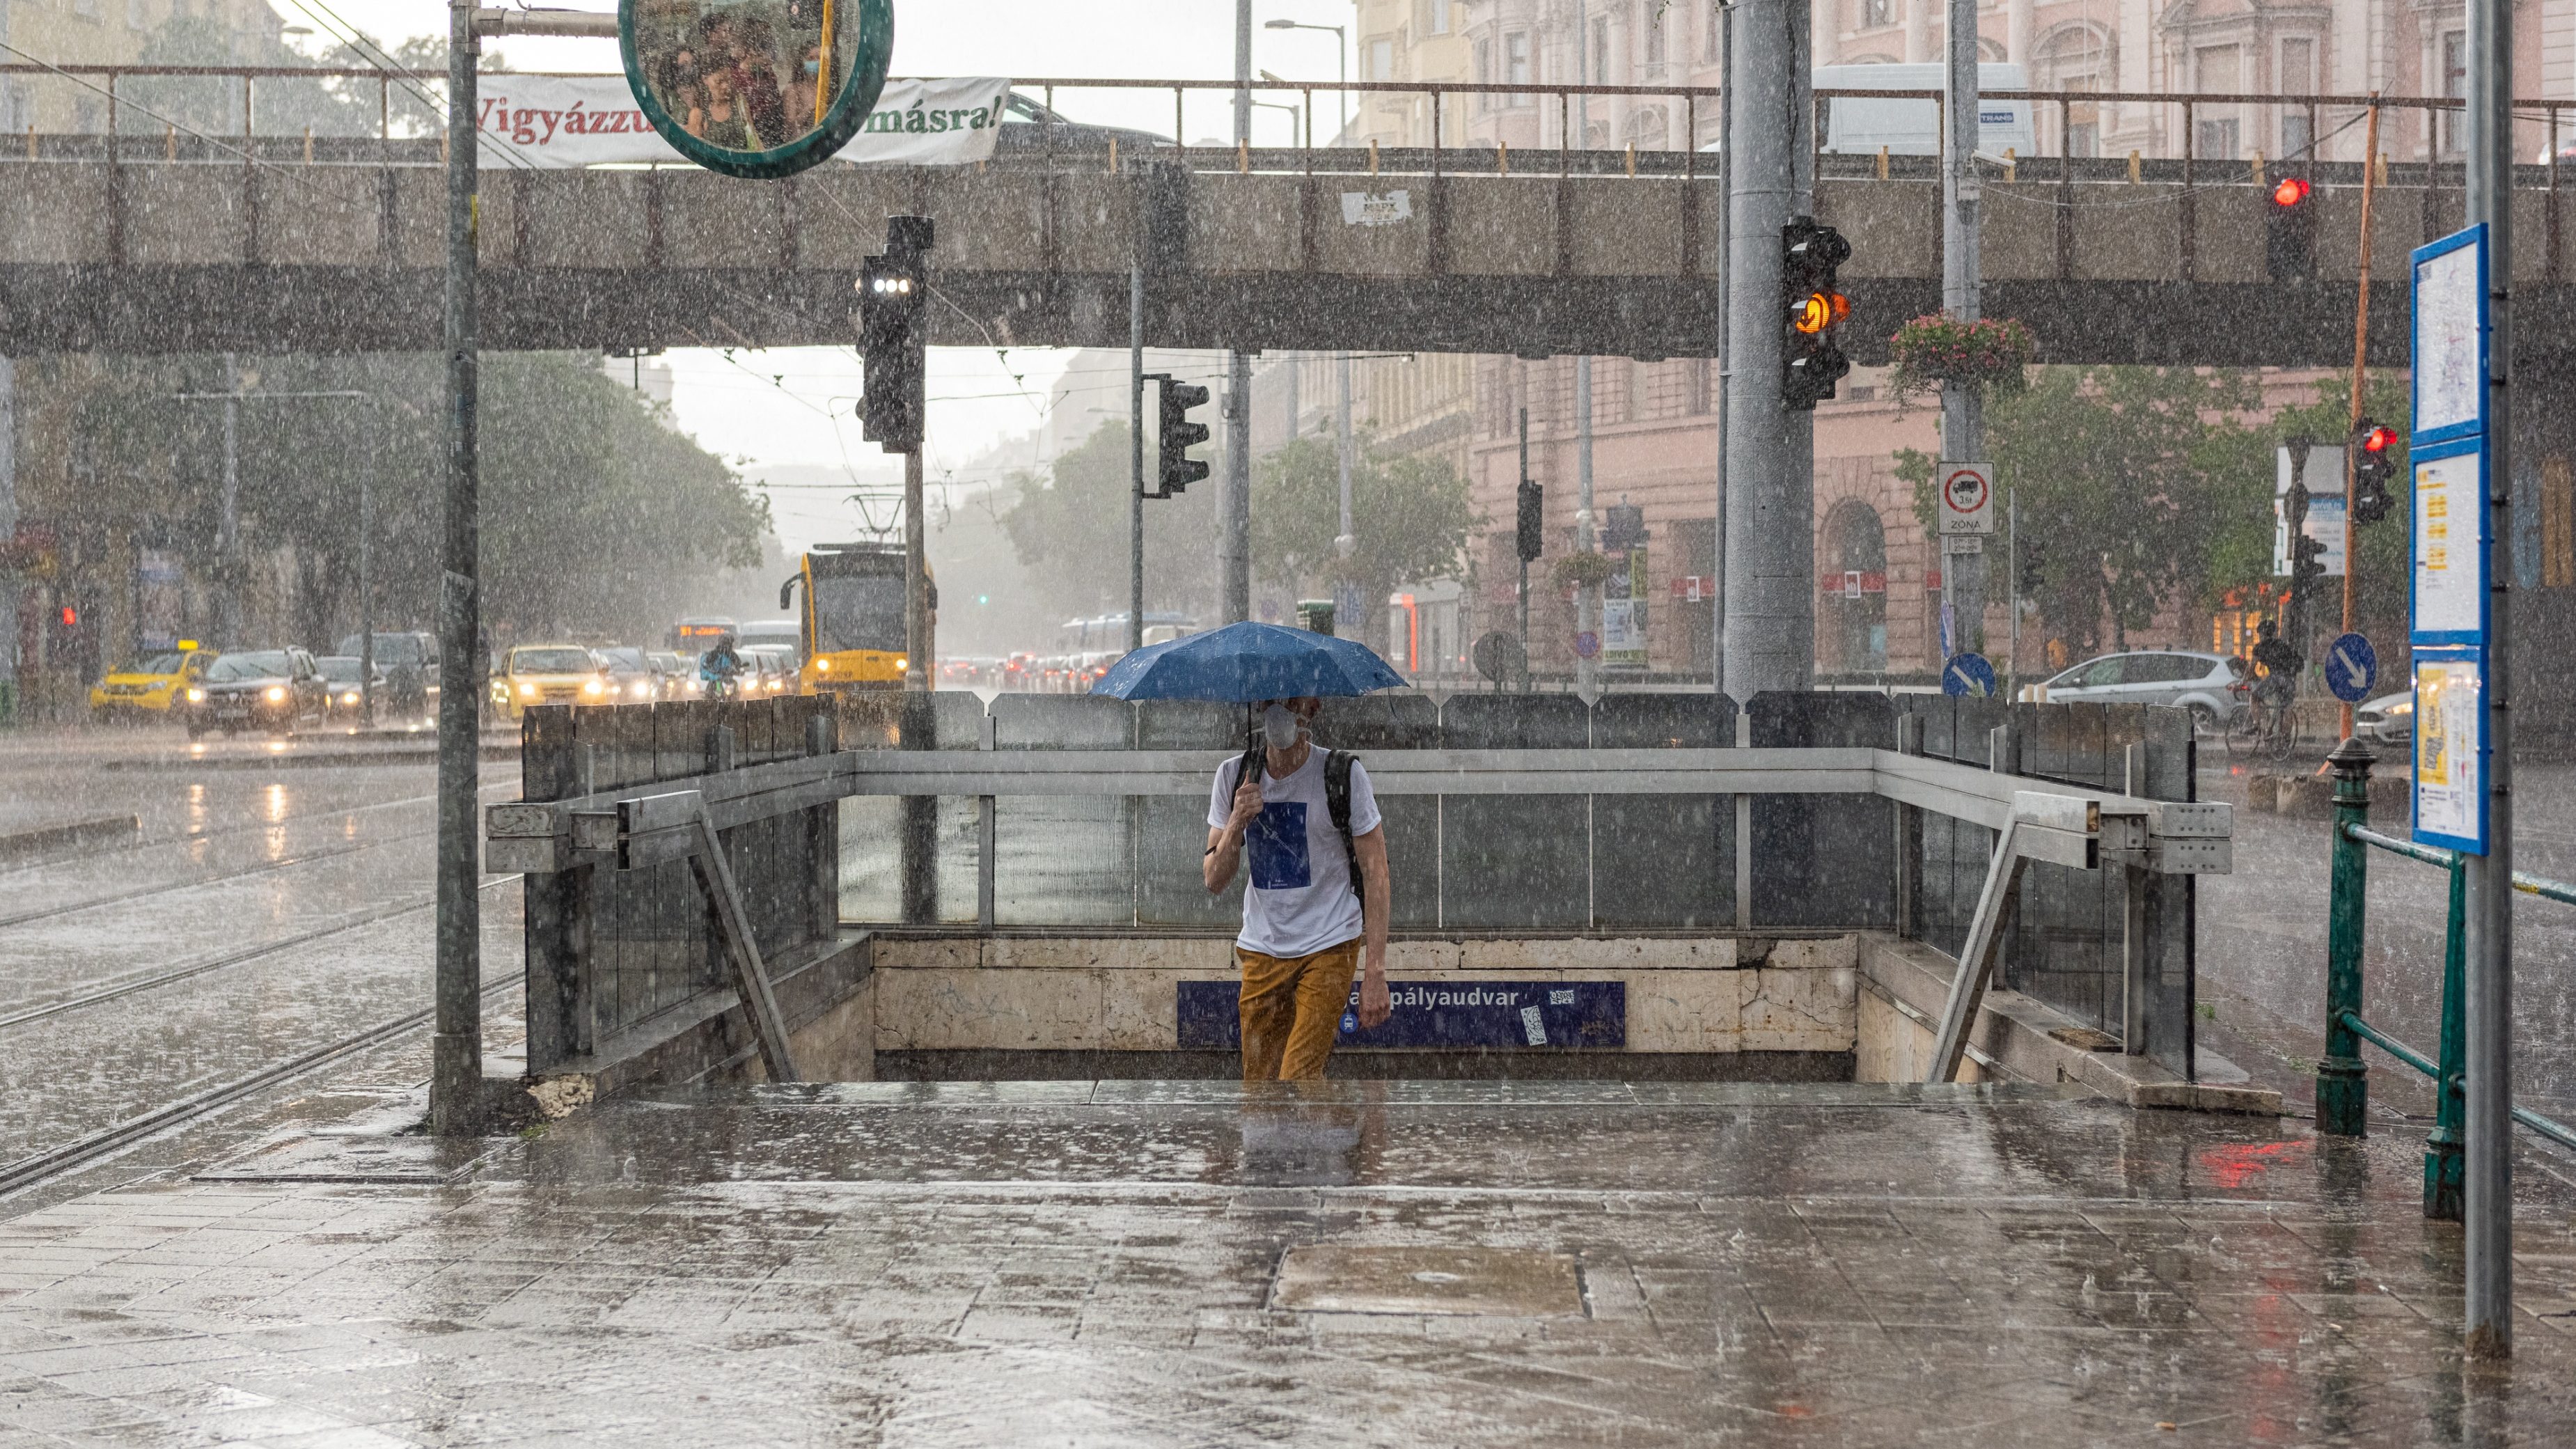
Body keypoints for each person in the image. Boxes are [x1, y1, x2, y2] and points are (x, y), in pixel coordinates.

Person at [1204, 697, 1392, 1081]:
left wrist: (1374, 972)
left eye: (1292, 701)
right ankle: (1334, 1135)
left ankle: (1320, 1133)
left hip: (1329, 942)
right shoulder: (1235, 774)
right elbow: (1214, 878)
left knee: (1297, 1077)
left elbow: (1377, 875)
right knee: (1260, 1087)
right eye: (1272, 701)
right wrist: (1238, 820)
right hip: (1263, 949)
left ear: (1313, 708)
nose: (1281, 712)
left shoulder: (1342, 774)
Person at [2250, 619, 2300, 706]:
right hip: (2289, 681)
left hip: (2275, 680)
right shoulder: (2282, 645)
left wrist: (2242, 682)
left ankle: (2256, 720)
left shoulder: (2260, 648)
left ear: (2261, 633)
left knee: (2254, 697)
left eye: (2259, 634)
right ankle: (2286, 716)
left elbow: (2251, 667)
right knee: (2285, 707)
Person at [699, 629, 749, 699]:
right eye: (724, 642)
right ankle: (708, 702)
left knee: (735, 686)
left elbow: (739, 665)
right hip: (716, 679)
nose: (725, 644)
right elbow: (706, 663)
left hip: (729, 680)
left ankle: (736, 701)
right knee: (710, 688)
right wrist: (710, 669)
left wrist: (739, 669)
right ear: (720, 642)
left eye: (727, 642)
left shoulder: (733, 655)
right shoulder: (714, 654)